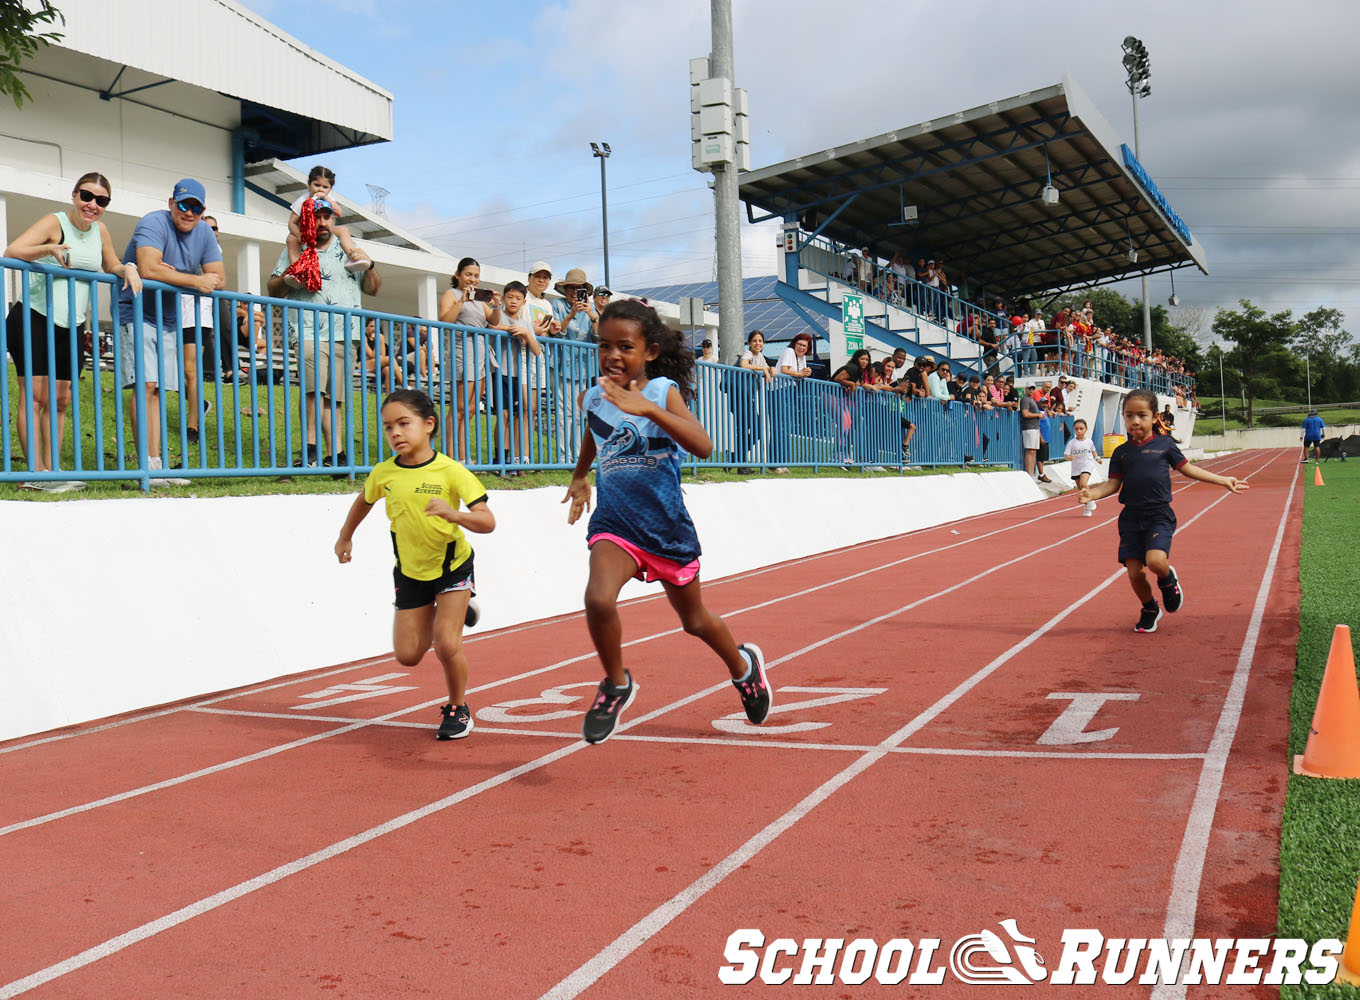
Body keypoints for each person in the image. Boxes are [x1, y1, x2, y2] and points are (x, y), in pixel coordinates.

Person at [563, 299, 770, 744]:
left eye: (624, 346)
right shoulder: (595, 396)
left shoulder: (661, 393)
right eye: (604, 346)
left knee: (694, 621)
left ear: (649, 352)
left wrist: (650, 411)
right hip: (615, 524)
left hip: (665, 528)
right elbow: (594, 431)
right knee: (598, 598)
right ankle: (616, 683)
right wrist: (581, 476)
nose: (612, 355)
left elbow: (704, 446)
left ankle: (743, 667)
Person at [334, 389, 494, 740]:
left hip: (452, 566)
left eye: (404, 424)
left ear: (428, 425)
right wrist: (346, 536)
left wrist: (455, 514)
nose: (395, 433)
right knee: (408, 655)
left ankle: (458, 708)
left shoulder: (451, 471)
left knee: (447, 644)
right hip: (410, 570)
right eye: (389, 427)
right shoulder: (384, 472)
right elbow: (364, 501)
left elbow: (487, 521)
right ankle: (462, 610)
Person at [5, 171, 141, 490]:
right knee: (36, 396)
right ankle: (34, 475)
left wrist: (129, 267)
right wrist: (48, 249)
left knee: (61, 399)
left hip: (73, 323)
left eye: (101, 200)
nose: (92, 205)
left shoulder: (101, 230)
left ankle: (53, 471)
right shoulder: (54, 222)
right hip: (34, 317)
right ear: (74, 195)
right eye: (87, 196)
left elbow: (112, 265)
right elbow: (12, 252)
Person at [1079, 388, 1249, 633]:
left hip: (1158, 514)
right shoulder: (1121, 452)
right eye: (1129, 416)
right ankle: (1149, 607)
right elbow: (1113, 485)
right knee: (1135, 573)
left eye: (1141, 415)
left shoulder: (1165, 445)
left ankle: (1168, 581)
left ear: (1154, 416)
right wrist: (1091, 494)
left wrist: (1223, 480)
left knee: (1156, 561)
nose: (1135, 421)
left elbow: (1188, 469)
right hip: (1130, 518)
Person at [118, 178, 224, 484]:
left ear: (203, 211)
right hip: (136, 309)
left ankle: (158, 463)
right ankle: (146, 466)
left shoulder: (204, 231)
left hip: (168, 315)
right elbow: (149, 268)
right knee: (145, 386)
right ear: (171, 204)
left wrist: (176, 275)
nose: (188, 212)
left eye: (196, 207)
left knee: (161, 390)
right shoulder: (153, 222)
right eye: (183, 204)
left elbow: (220, 278)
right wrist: (193, 279)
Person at [266, 196, 379, 467]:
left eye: (327, 217)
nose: (322, 222)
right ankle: (310, 448)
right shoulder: (298, 248)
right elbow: (273, 287)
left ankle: (335, 455)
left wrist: (371, 265)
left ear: (334, 219)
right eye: (316, 217)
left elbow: (373, 288)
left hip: (345, 333)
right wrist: (288, 279)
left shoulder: (349, 249)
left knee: (335, 397)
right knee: (312, 392)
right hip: (307, 331)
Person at [436, 257, 502, 460]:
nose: (473, 279)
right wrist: (462, 300)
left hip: (481, 356)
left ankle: (462, 456)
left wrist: (497, 305)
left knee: (472, 409)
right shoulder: (451, 294)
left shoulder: (480, 301)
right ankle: (450, 456)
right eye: (468, 275)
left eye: (476, 276)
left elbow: (494, 321)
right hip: (461, 354)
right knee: (459, 408)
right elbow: (445, 319)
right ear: (458, 275)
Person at [494, 279, 543, 470]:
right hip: (499, 371)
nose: (513, 301)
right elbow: (491, 326)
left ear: (524, 302)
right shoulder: (498, 316)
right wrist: (510, 329)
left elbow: (537, 350)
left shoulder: (525, 324)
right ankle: (499, 457)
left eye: (518, 298)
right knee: (503, 414)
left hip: (517, 375)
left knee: (515, 415)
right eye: (510, 297)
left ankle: (513, 458)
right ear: (504, 298)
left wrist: (525, 332)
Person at [284, 166, 364, 275]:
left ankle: (353, 256)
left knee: (343, 230)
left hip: (322, 231)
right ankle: (297, 271)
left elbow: (339, 212)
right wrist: (300, 235)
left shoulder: (328, 198)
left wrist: (326, 199)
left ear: (330, 189)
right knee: (291, 239)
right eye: (316, 185)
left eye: (325, 187)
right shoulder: (302, 200)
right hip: (306, 232)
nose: (321, 189)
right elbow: (291, 223)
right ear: (309, 184)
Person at [1065, 418, 1102, 516]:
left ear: (1086, 429)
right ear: (1074, 430)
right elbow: (1066, 455)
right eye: (1076, 429)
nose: (1079, 431)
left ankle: (1091, 499)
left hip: (1087, 465)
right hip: (1076, 468)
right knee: (1081, 488)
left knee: (1083, 483)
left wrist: (1097, 458)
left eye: (1081, 429)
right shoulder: (1072, 443)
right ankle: (1087, 507)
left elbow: (1093, 451)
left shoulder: (1089, 442)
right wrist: (1070, 457)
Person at [1020, 384, 1044, 481]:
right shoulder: (1025, 399)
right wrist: (1037, 415)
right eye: (1029, 388)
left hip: (1034, 427)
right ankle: (1029, 473)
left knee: (1033, 451)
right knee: (1030, 451)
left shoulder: (1031, 399)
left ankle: (1031, 472)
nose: (1031, 390)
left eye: (1033, 388)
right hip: (1029, 427)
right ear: (1026, 389)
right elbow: (1025, 413)